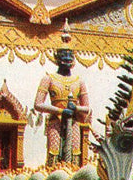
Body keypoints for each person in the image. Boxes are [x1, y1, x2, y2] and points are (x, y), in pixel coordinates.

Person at [33, 23, 91, 166]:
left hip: (74, 122)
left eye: (70, 55)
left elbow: (88, 108)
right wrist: (60, 110)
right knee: (54, 152)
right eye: (63, 54)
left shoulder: (79, 81)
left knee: (74, 152)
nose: (67, 58)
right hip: (55, 121)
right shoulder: (49, 78)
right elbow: (38, 104)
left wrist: (76, 109)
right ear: (57, 57)